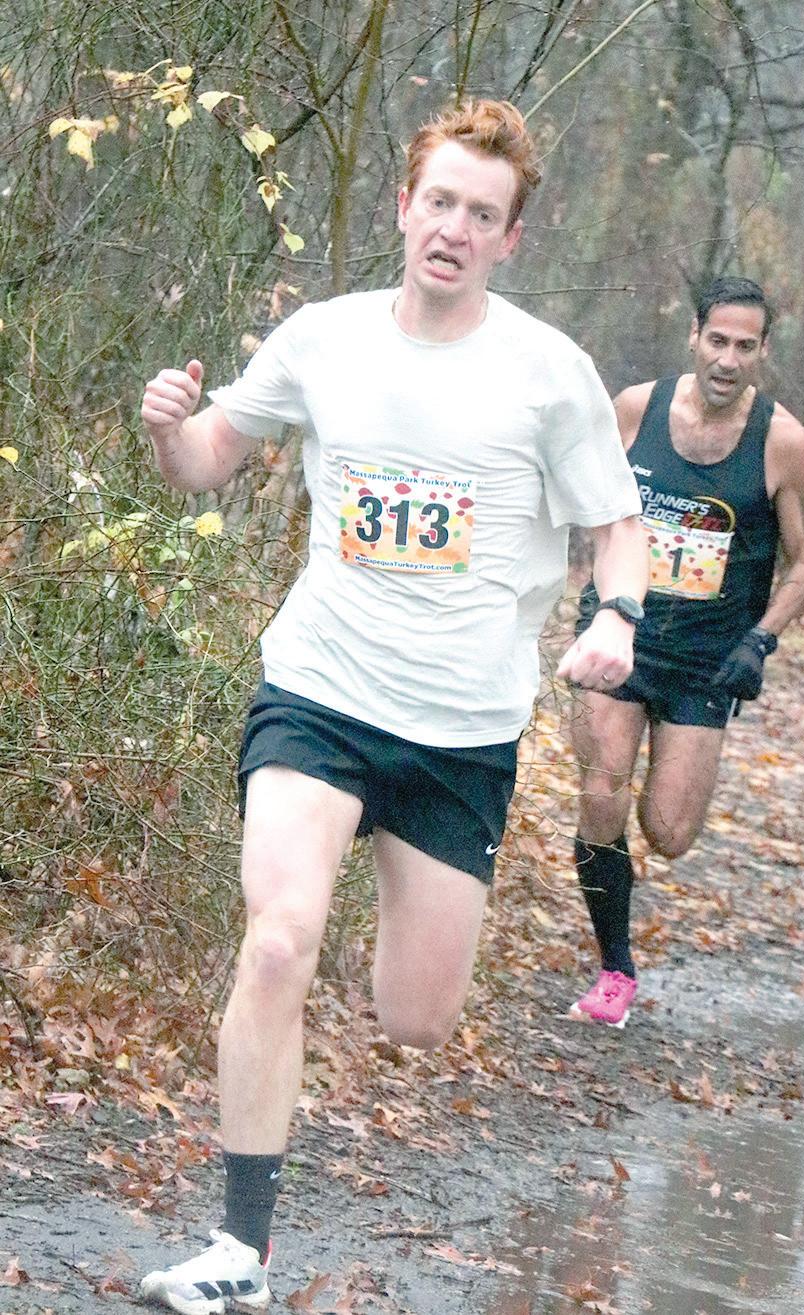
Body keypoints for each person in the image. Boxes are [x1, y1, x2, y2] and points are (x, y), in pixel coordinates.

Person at [138, 99, 647, 1314]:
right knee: (278, 939)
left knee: (415, 1020)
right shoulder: (324, 339)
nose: (454, 229)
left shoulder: (549, 373)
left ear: (511, 238)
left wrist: (618, 618)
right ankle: (239, 1251)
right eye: (441, 202)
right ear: (403, 206)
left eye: (483, 214)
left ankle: (383, 905)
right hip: (319, 689)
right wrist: (168, 428)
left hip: (461, 732)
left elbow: (617, 522)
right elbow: (207, 458)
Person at [569, 276, 804, 1028]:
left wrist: (759, 641)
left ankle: (623, 915)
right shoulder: (635, 409)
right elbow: (589, 504)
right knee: (601, 791)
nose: (728, 360)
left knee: (670, 833)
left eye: (745, 346)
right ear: (694, 336)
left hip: (708, 659)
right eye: (717, 341)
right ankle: (615, 968)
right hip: (623, 631)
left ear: (763, 351)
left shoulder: (783, 443)